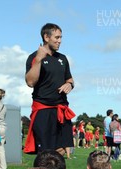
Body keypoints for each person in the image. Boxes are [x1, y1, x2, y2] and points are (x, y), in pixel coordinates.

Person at [25, 23, 75, 156]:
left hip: (62, 109)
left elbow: (70, 79)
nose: (60, 41)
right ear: (46, 37)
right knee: (45, 154)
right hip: (43, 110)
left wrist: (69, 85)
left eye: (61, 37)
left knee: (63, 150)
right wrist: (39, 59)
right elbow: (30, 81)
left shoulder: (62, 58)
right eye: (57, 37)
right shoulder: (34, 57)